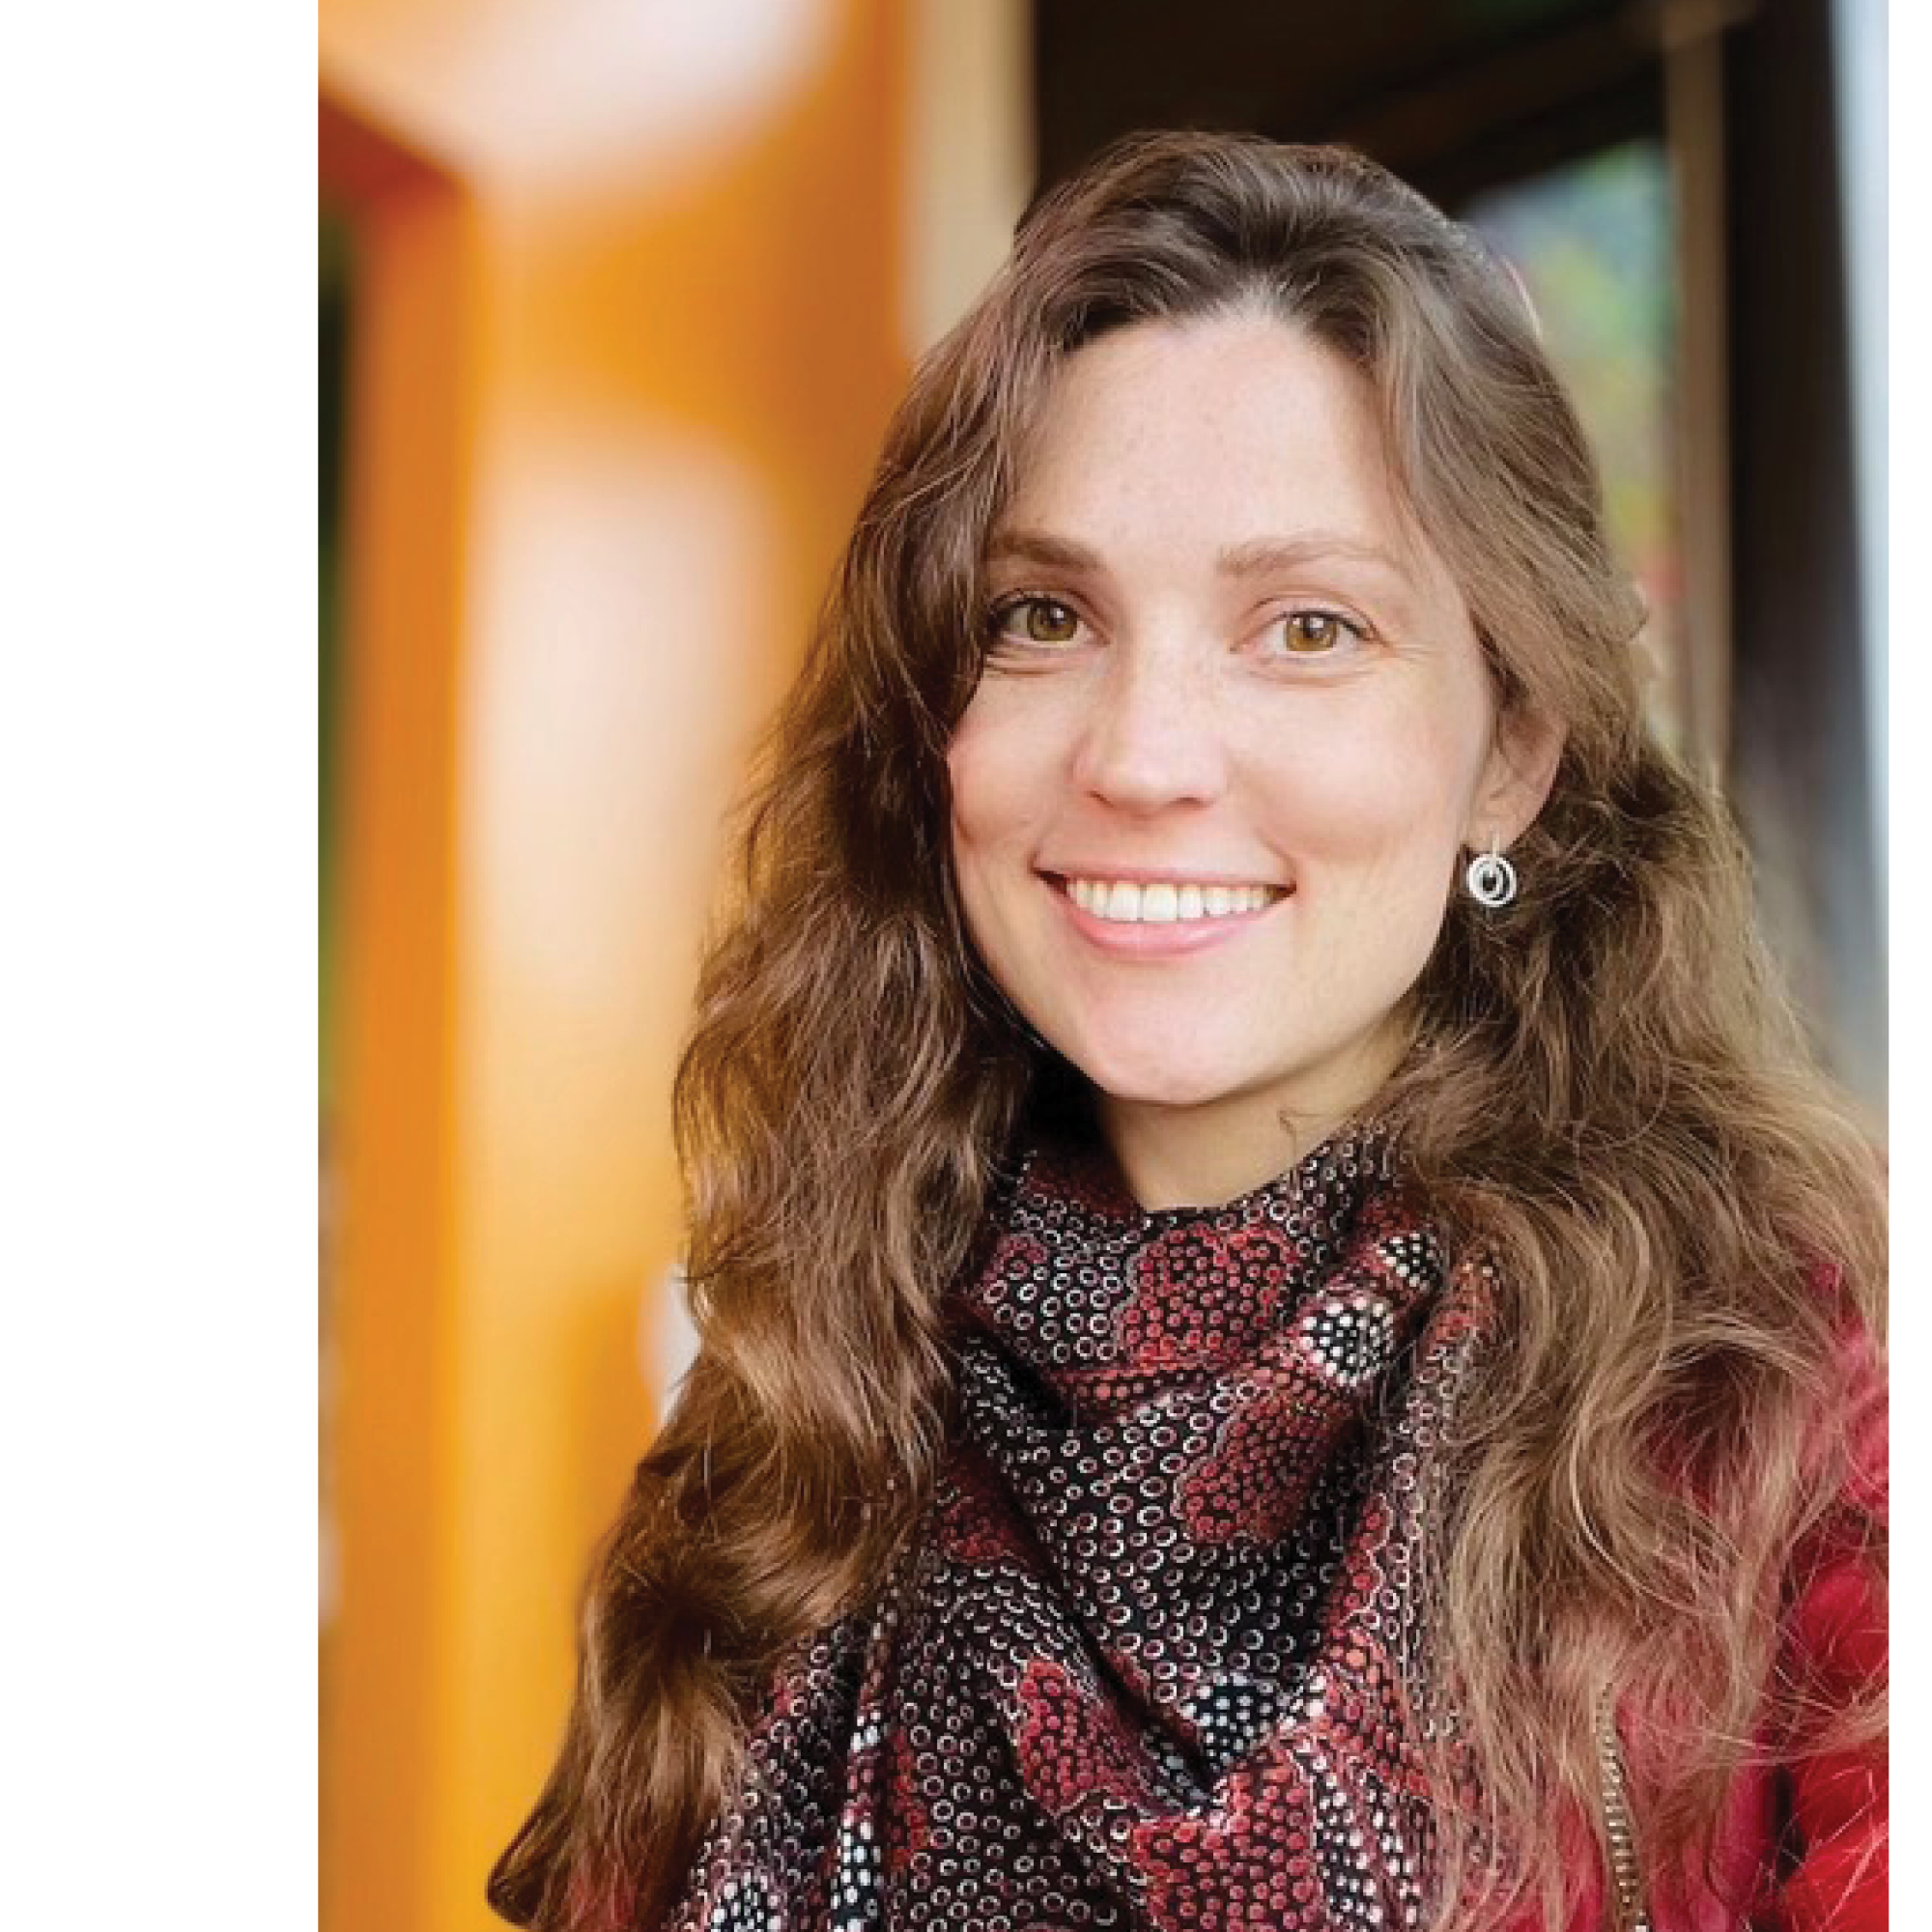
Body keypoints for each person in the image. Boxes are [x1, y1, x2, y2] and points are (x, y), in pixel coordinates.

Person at [488, 132, 1886, 1932]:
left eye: (1307, 627)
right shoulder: (794, 1411)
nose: (1143, 756)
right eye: (1045, 617)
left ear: (1512, 749)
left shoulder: (1790, 1397)